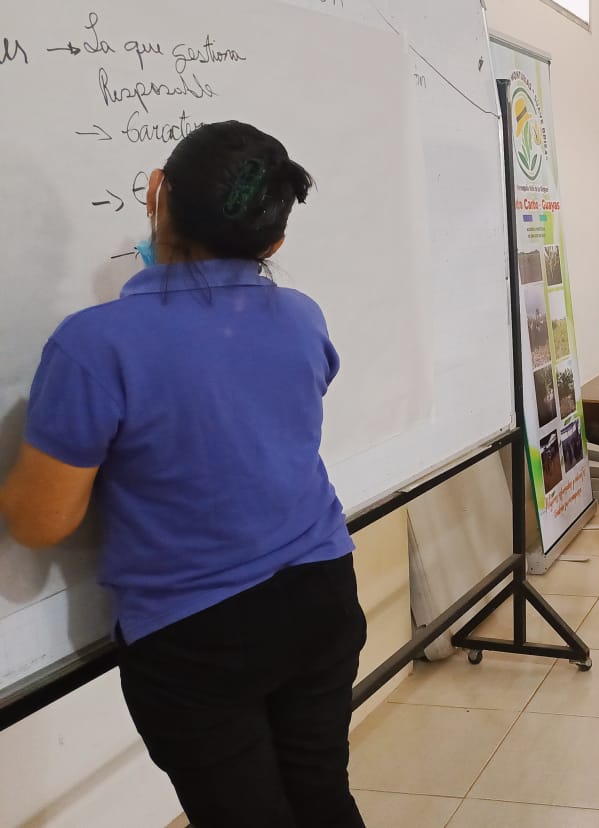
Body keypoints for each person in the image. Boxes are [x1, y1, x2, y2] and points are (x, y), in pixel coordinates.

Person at [0, 121, 366, 827]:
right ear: (274, 243)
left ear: (156, 193)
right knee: (322, 795)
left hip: (198, 634)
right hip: (322, 593)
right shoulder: (301, 317)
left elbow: (41, 522)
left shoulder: (93, 345)